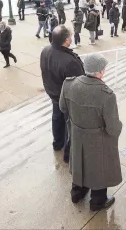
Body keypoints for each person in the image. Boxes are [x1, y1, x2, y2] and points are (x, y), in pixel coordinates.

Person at [59, 53, 121, 211]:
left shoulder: (69, 84)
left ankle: (77, 193)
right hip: (98, 141)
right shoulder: (106, 95)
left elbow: (62, 107)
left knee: (79, 161)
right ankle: (97, 201)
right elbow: (113, 128)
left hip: (77, 136)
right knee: (98, 168)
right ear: (100, 72)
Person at [40, 25, 85, 163]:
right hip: (67, 99)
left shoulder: (45, 51)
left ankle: (57, 143)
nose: (71, 39)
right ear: (66, 40)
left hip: (53, 93)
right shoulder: (69, 61)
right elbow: (79, 85)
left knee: (56, 118)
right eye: (70, 37)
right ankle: (68, 153)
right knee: (69, 126)